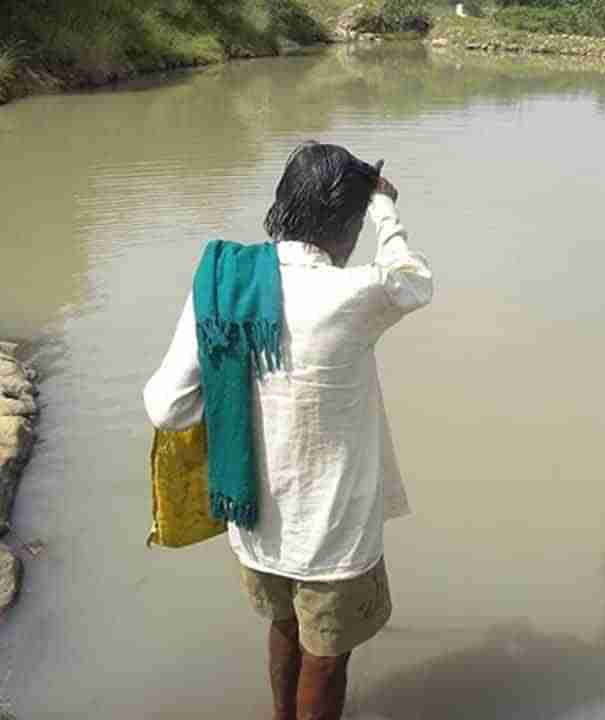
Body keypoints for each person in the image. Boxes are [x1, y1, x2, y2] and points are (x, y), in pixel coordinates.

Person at [143, 142, 432, 720]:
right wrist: (386, 210)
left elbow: (166, 406)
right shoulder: (354, 294)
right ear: (347, 223)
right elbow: (414, 280)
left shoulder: (222, 282)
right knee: (327, 659)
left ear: (281, 207)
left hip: (251, 516)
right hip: (332, 532)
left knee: (282, 628)